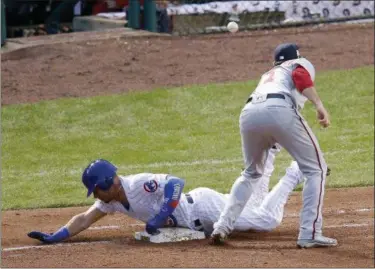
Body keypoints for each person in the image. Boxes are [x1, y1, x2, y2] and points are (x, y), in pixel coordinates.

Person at [210, 43, 337, 248]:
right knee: (316, 169)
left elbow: (265, 116)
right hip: (278, 108)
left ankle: (222, 226)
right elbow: (301, 78)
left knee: (251, 174)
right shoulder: (296, 64)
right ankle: (309, 233)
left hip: (249, 112)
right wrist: (319, 105)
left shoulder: (269, 74)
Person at [27, 152, 310, 244]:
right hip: (200, 219)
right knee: (254, 200)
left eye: (96, 190)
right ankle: (268, 152)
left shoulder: (138, 184)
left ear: (106, 184)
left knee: (266, 219)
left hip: (203, 207)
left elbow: (176, 183)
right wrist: (57, 236)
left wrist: (161, 217)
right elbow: (84, 218)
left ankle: (295, 173)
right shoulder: (111, 200)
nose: (95, 196)